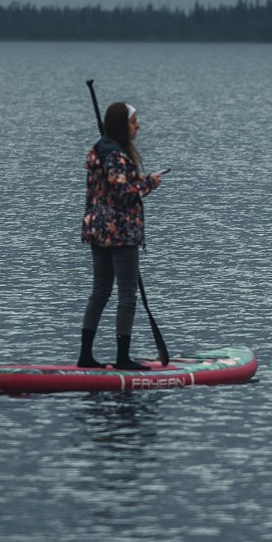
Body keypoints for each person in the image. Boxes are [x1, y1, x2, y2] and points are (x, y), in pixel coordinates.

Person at [78, 100, 162, 369]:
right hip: (119, 232)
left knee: (100, 291)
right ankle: (122, 357)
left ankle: (86, 355)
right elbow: (124, 194)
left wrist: (138, 180)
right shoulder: (114, 155)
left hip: (98, 231)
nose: (138, 125)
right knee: (127, 293)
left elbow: (114, 187)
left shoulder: (100, 152)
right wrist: (150, 183)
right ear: (121, 125)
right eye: (133, 120)